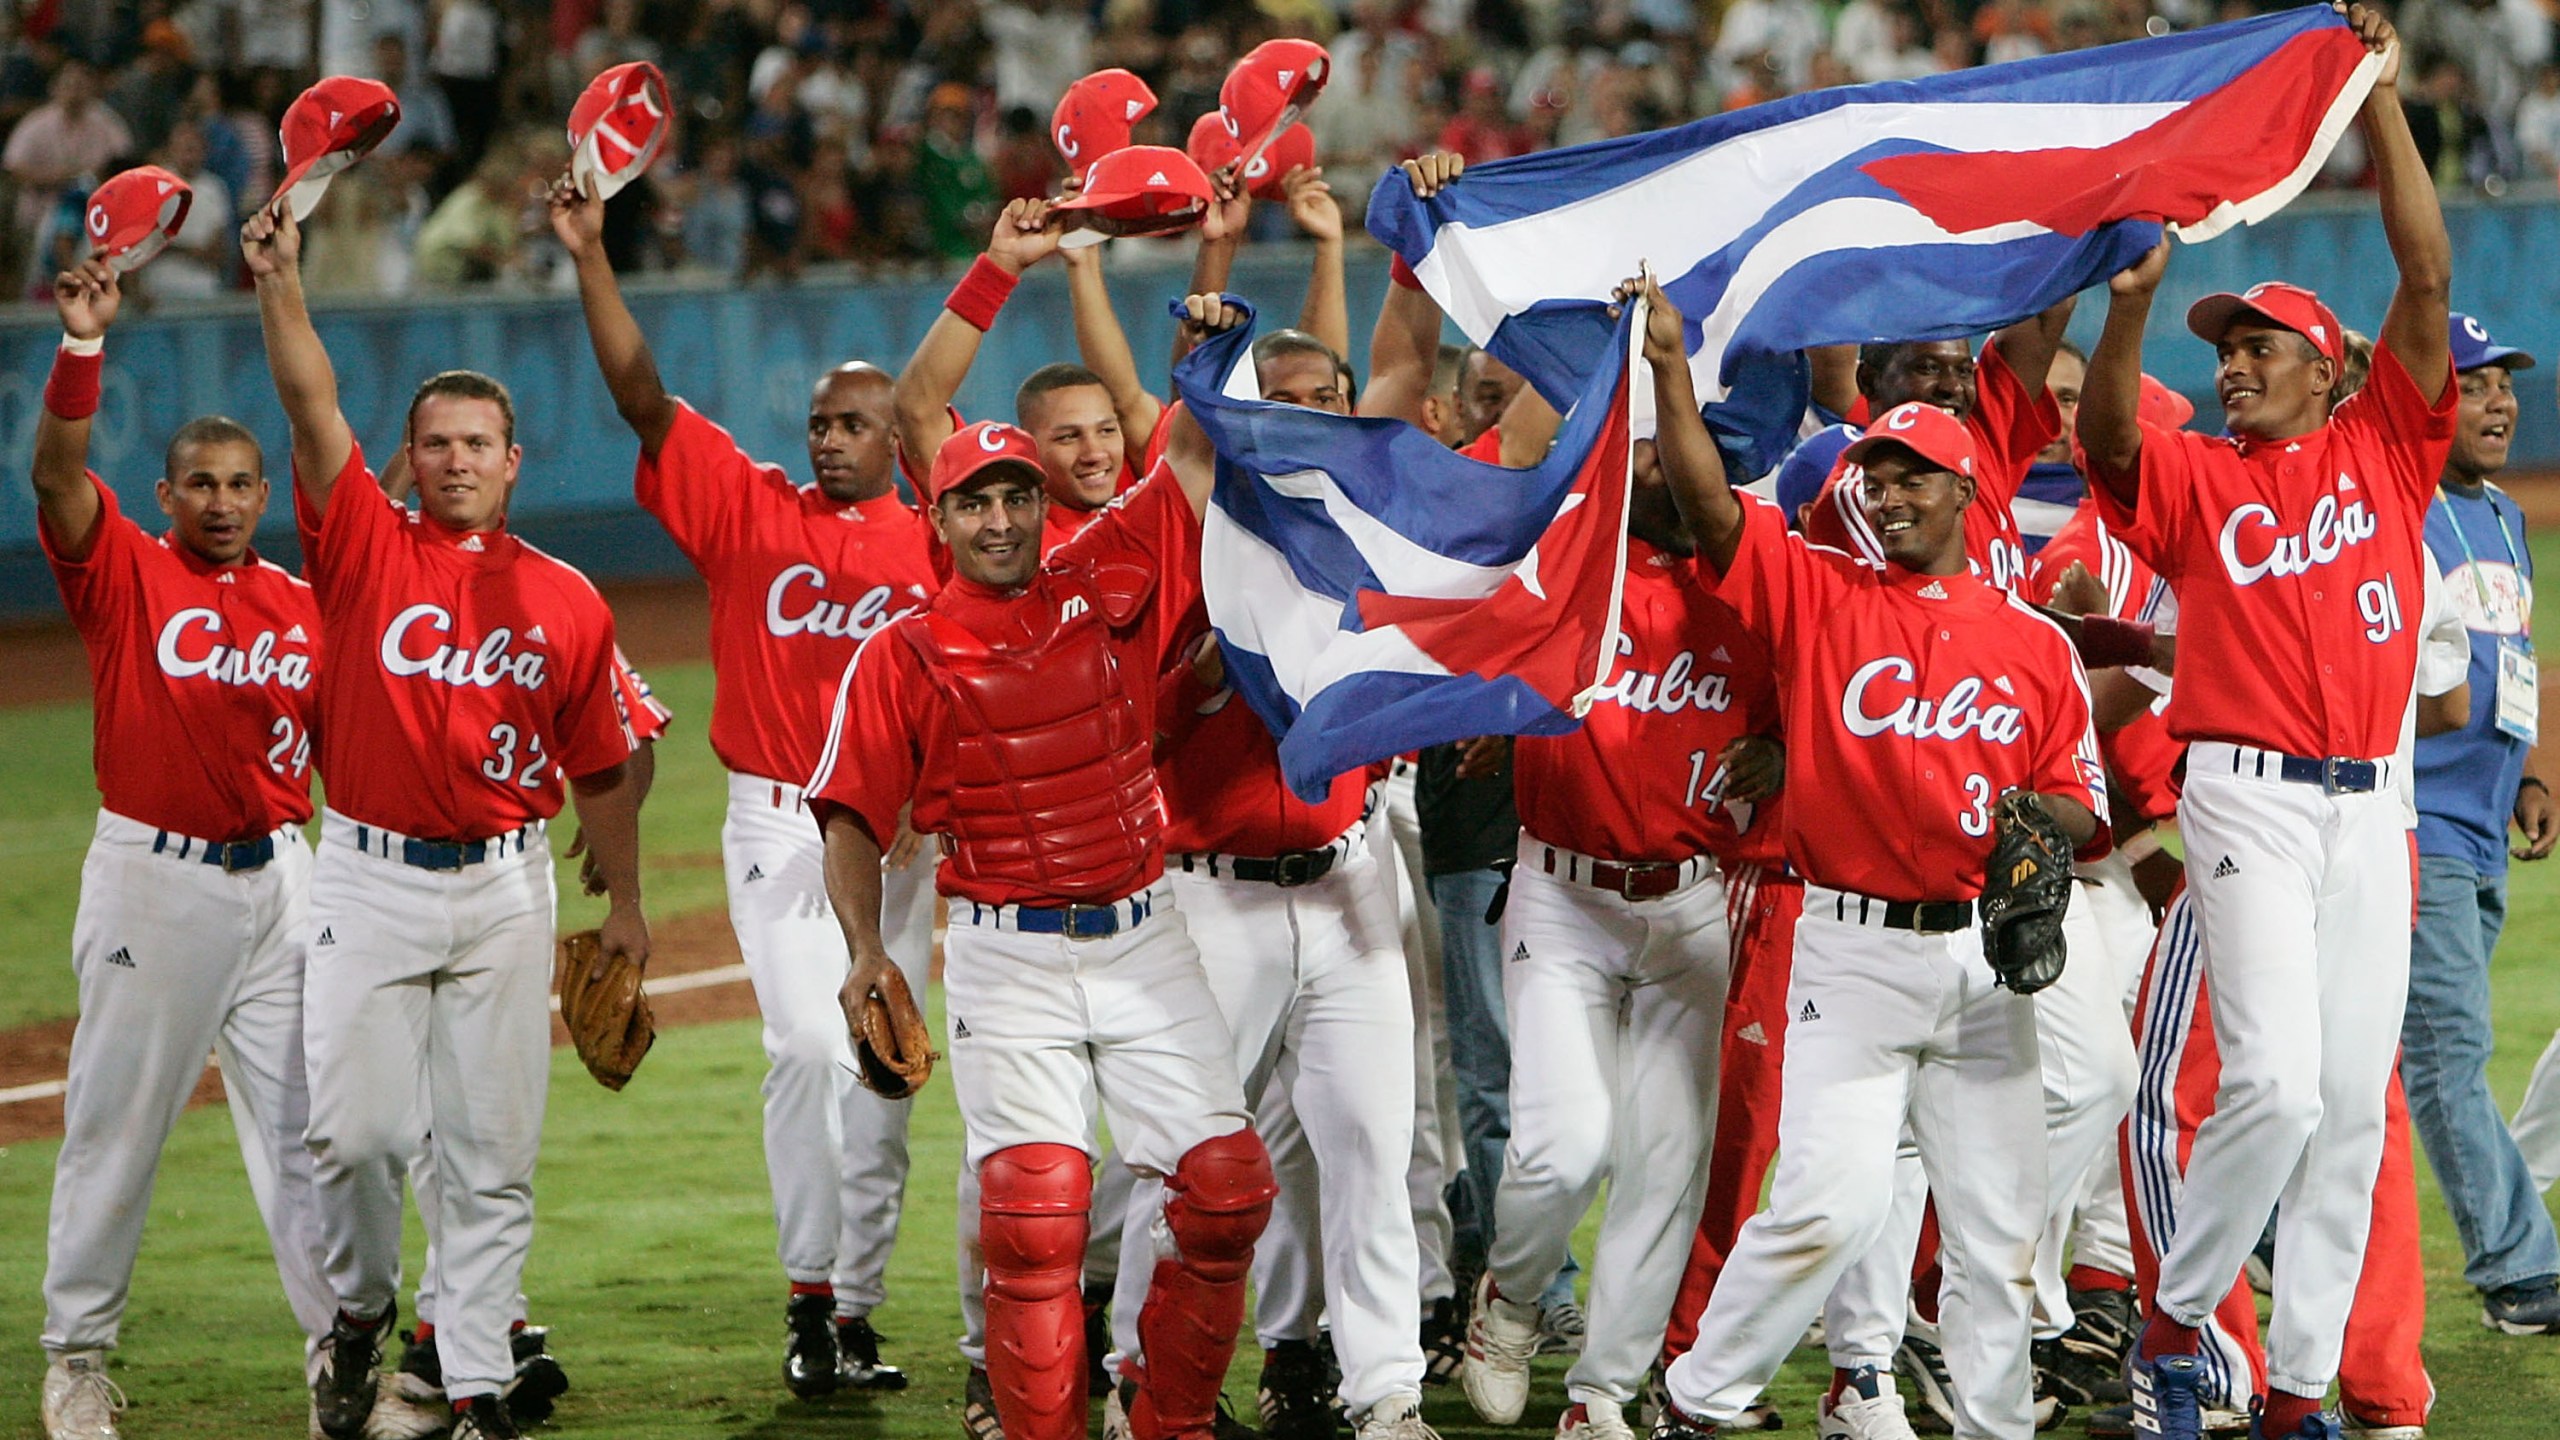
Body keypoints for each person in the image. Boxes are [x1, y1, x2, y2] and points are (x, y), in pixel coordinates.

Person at [1637, 267, 2109, 1440]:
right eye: (1874, 478)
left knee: (1998, 1239)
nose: (1886, 496)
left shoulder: (2035, 648)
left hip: (1987, 965)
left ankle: (1993, 1425)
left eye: (1908, 479)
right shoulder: (1821, 594)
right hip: (1847, 955)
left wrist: (2029, 834)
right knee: (1823, 1206)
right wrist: (1668, 373)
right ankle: (1702, 1397)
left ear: (1963, 492)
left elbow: (2076, 803)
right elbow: (1705, 511)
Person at [2073, 8, 2454, 1435]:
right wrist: (2127, 306)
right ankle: (2177, 1317)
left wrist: (2381, 99)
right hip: (2245, 797)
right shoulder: (2196, 478)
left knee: (2353, 1113)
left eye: (2261, 345)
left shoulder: (2383, 449)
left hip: (2372, 813)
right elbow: (2108, 442)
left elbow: (2425, 267)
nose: (2233, 360)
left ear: (2334, 367)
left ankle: (2299, 1397)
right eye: (2227, 349)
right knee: (2281, 1090)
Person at [807, 283, 1274, 1440]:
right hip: (1007, 954)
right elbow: (852, 818)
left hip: (1143, 932)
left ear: (1041, 499)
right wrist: (866, 950)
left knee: (1225, 1191)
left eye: (1018, 495)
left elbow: (1195, 460)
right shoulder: (902, 655)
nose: (1002, 520)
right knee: (1034, 1216)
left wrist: (1205, 358)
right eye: (977, 502)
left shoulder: (1106, 581)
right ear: (940, 514)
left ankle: (1167, 1419)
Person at [244, 201, 652, 1440]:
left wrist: (626, 902)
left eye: (479, 442)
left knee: (488, 1156)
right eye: (436, 442)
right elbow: (315, 408)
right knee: (356, 1138)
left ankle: (472, 1385)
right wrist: (281, 281)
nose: (458, 460)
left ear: (514, 459)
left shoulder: (569, 599)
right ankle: (361, 1318)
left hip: (506, 888)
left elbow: (606, 763)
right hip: (366, 882)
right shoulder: (361, 547)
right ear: (409, 459)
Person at [549, 173, 939, 1398]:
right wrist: (589, 255)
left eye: (854, 424)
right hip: (777, 818)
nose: (827, 437)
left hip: (906, 838)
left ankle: (859, 1312)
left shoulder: (943, 535)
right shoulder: (749, 512)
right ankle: (809, 1300)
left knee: (886, 1076)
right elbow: (642, 399)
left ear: (898, 440)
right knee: (805, 1049)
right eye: (820, 420)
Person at [31, 257, 332, 1440]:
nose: (219, 501)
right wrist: (83, 345)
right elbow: (57, 471)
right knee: (116, 1127)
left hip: (282, 886)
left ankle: (337, 1359)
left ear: (264, 496)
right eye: (198, 482)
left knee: (313, 1135)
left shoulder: (301, 604)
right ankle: (78, 1357)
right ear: (164, 494)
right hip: (154, 884)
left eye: (240, 484)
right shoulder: (123, 571)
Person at [1454, 413, 1785, 1440]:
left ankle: (1603, 1392)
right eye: (1654, 455)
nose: (1678, 476)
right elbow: (1468, 627)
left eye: (1696, 463)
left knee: (1667, 1159)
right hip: (1565, 896)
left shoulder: (1763, 593)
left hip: (1690, 901)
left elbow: (1839, 690)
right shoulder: (1568, 563)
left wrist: (1783, 742)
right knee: (1563, 1144)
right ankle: (1508, 1302)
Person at [2403, 313, 2560, 1332]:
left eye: (2504, 383)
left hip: (2483, 818)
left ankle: (2261, 1225)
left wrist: (2535, 771)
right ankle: (2517, 1268)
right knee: (2448, 1048)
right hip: (2414, 822)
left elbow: (2520, 650)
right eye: (2473, 383)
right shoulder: (2397, 513)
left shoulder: (2502, 515)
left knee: (2369, 1049)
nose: (2498, 401)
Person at [892, 198, 1147, 556]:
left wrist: (1083, 257)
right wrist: (1001, 265)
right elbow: (916, 407)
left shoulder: (1147, 508)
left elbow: (1129, 400)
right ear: (1031, 453)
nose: (1094, 452)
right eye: (1068, 437)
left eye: (1106, 430)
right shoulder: (1003, 532)